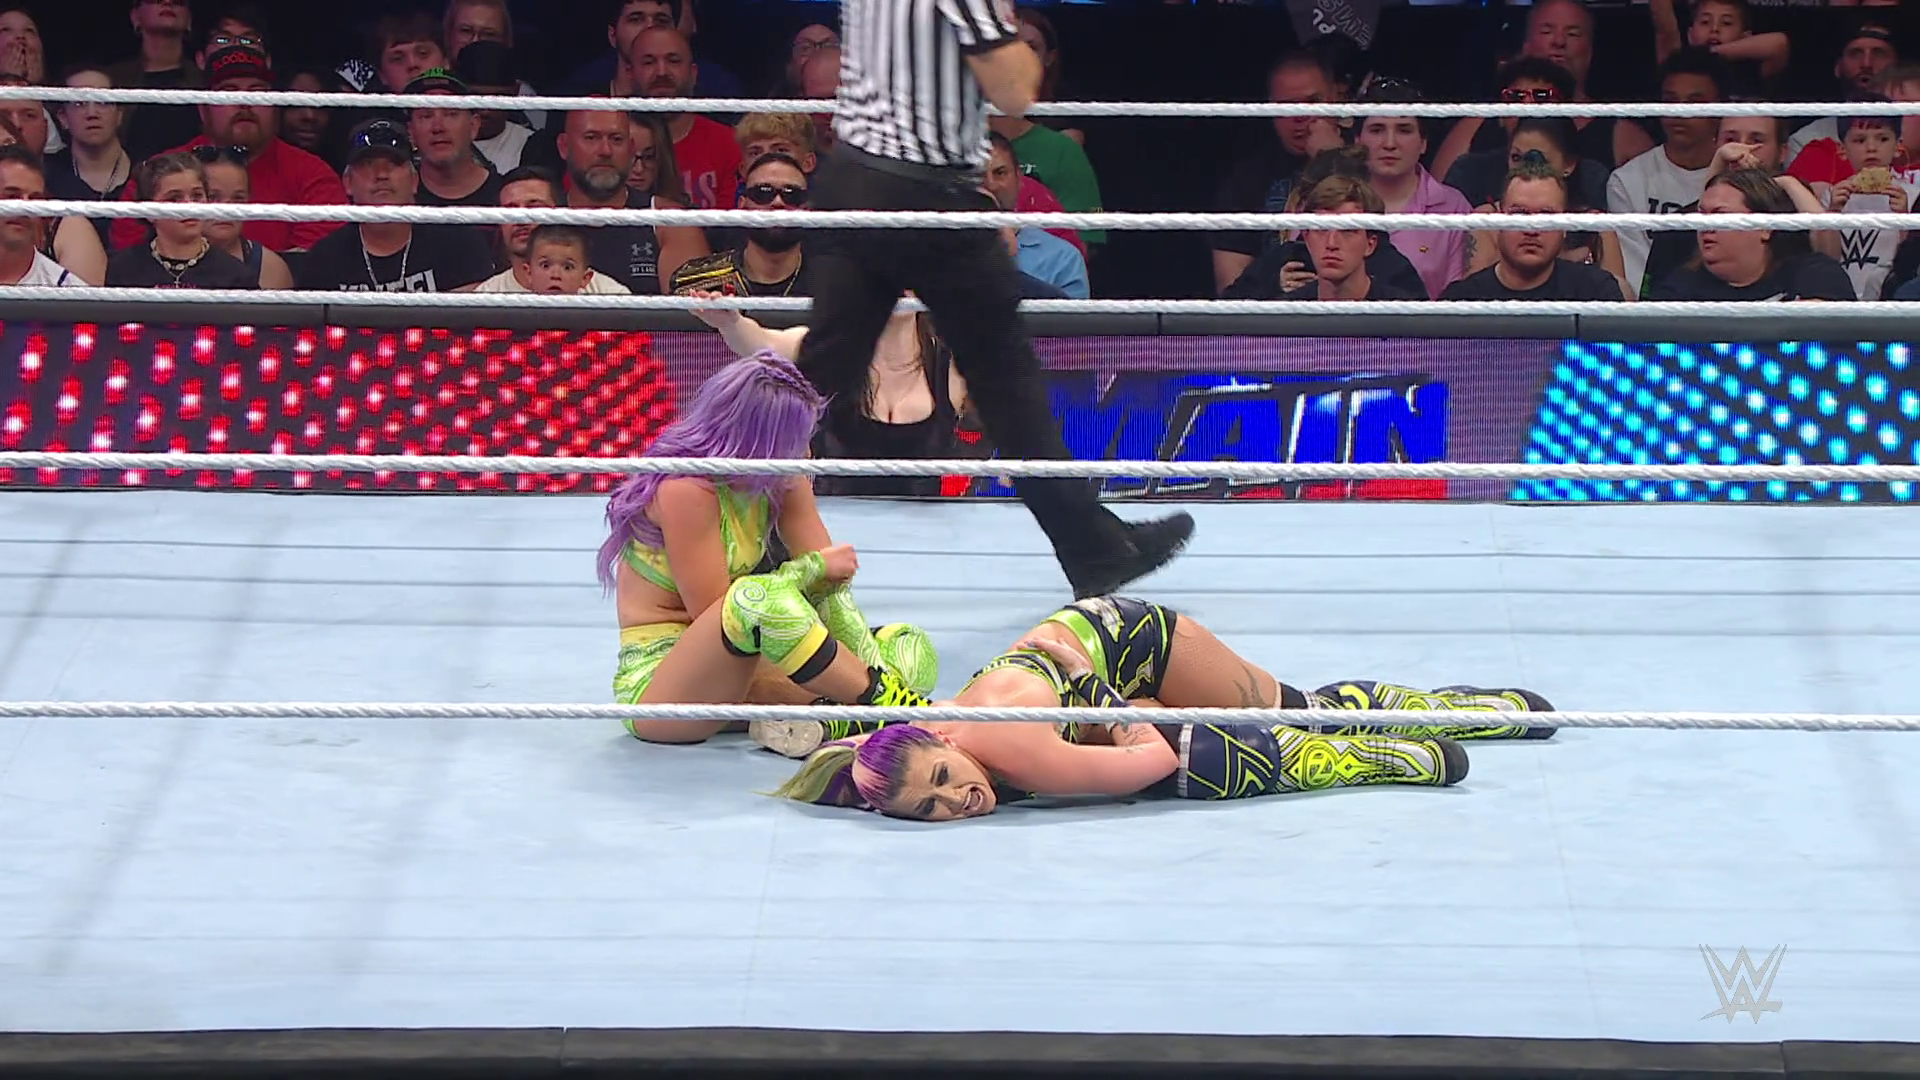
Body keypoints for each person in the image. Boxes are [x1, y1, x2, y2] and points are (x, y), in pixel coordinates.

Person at [798, 0, 1191, 600]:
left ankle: (728, 523)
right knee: (1004, 373)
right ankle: (1095, 550)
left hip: (851, 177)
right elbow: (1014, 91)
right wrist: (1007, 33)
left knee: (820, 370)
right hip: (926, 191)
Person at [762, 593, 1556, 817]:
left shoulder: (1012, 750)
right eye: (929, 808)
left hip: (1131, 638)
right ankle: (1379, 746)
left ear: (943, 744)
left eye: (941, 778)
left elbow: (1149, 759)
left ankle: (1445, 710)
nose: (956, 801)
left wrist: (1100, 693)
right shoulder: (920, 737)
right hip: (1071, 666)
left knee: (1287, 713)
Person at [597, 350, 940, 749]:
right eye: (797, 440)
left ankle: (841, 720)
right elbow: (720, 611)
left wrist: (872, 668)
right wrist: (810, 569)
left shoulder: (782, 476)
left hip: (749, 667)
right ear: (761, 441)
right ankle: (893, 711)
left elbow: (831, 587)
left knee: (908, 645)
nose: (807, 452)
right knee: (757, 598)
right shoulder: (685, 488)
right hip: (666, 686)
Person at [686, 291, 980, 498]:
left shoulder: (953, 364)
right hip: (833, 529)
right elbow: (765, 342)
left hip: (926, 540)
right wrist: (730, 322)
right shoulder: (829, 351)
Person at [104, 151, 254, 289]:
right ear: (149, 211)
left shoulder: (236, 275)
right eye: (174, 199)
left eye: (197, 196)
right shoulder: (124, 269)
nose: (188, 206)